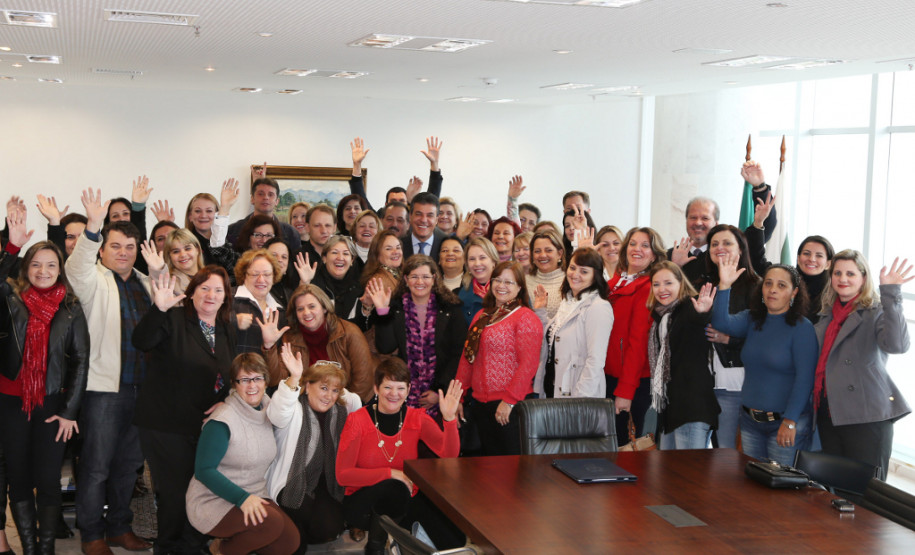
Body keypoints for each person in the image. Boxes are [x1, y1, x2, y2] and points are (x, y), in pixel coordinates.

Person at [66, 188, 153, 555]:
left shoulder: (146, 284)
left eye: (129, 247)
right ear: (103, 249)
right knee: (96, 467)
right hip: (104, 390)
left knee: (128, 467)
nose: (123, 252)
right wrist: (93, 226)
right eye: (115, 246)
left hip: (143, 389)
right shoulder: (92, 280)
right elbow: (75, 266)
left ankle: (119, 527)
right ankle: (92, 535)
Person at [132, 267, 236, 555]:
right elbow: (141, 341)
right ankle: (168, 548)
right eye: (204, 288)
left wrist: (227, 399)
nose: (210, 295)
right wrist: (158, 309)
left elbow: (229, 373)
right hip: (166, 423)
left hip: (201, 426)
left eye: (217, 290)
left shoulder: (226, 328)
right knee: (175, 494)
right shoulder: (173, 319)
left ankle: (193, 546)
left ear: (226, 297)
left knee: (200, 489)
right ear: (191, 294)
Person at [0, 227, 89, 555]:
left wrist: (70, 411)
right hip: (10, 402)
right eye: (35, 264)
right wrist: (13, 247)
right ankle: (29, 548)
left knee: (49, 479)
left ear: (60, 268)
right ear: (25, 269)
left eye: (51, 265)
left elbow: (81, 361)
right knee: (18, 478)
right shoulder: (9, 298)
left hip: (52, 403)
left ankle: (46, 549)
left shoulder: (70, 307)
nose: (43, 271)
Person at [336, 358, 463, 555]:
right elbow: (343, 475)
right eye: (388, 387)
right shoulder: (357, 420)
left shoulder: (416, 418)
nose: (394, 394)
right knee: (394, 487)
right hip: (362, 504)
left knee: (454, 537)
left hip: (405, 498)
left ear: (409, 389)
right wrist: (390, 473)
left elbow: (449, 454)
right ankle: (375, 548)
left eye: (400, 388)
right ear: (376, 389)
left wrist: (449, 419)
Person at [707, 258, 818, 466]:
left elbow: (805, 379)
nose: (772, 290)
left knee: (782, 492)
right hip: (750, 422)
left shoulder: (802, 328)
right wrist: (724, 286)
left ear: (794, 293)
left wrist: (791, 421)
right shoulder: (752, 319)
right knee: (754, 487)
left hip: (785, 423)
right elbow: (721, 322)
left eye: (781, 285)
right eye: (768, 283)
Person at [185, 353, 299, 555]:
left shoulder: (267, 407)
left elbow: (288, 403)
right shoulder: (222, 420)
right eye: (244, 380)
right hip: (214, 500)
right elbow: (203, 471)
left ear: (266, 380)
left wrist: (295, 377)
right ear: (234, 384)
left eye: (257, 378)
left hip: (254, 492)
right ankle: (221, 551)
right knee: (270, 524)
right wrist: (242, 498)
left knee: (289, 543)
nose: (252, 385)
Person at [813, 252, 912, 480]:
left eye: (850, 273)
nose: (843, 279)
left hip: (866, 416)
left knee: (867, 494)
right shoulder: (827, 313)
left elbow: (898, 345)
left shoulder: (875, 310)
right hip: (830, 413)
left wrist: (892, 293)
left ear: (863, 278)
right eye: (837, 273)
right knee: (835, 489)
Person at [267, 348, 357, 553]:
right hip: (292, 481)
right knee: (300, 537)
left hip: (325, 484)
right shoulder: (294, 408)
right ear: (308, 387)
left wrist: (334, 380)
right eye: (323, 388)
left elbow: (354, 400)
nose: (329, 396)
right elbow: (277, 414)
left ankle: (289, 533)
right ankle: (289, 538)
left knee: (330, 529)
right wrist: (294, 378)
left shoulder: (340, 412)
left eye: (335, 391)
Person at [455, 261, 543, 456]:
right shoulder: (482, 315)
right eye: (497, 280)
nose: (501, 286)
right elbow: (467, 359)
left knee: (510, 472)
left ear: (520, 287)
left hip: (510, 406)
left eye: (509, 282)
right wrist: (458, 397)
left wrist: (509, 401)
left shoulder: (525, 317)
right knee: (484, 472)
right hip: (479, 405)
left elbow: (528, 365)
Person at [368, 255, 468, 417]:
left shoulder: (451, 308)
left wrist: (439, 391)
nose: (419, 282)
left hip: (441, 396)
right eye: (414, 277)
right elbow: (385, 347)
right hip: (404, 395)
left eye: (425, 277)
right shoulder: (397, 307)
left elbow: (457, 354)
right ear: (406, 280)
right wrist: (382, 311)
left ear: (434, 279)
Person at [646, 262, 719, 450]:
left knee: (689, 473)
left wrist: (703, 313)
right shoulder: (662, 317)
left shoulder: (689, 308)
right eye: (656, 284)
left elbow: (698, 323)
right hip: (671, 408)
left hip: (692, 407)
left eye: (668, 283)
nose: (662, 289)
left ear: (681, 283)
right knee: (670, 475)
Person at [260, 284, 375, 402]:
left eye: (312, 306)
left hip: (343, 405)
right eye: (300, 309)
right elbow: (275, 379)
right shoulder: (290, 337)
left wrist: (341, 408)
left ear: (324, 307)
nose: (306, 313)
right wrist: (269, 346)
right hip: (304, 405)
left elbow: (363, 381)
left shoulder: (349, 333)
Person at [605, 227, 666, 445]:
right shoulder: (615, 283)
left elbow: (638, 343)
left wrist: (626, 390)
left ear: (654, 255)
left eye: (644, 245)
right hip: (609, 377)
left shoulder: (648, 287)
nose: (636, 249)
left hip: (633, 383)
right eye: (632, 243)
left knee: (630, 453)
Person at [702, 225, 761, 449]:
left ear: (741, 250)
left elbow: (764, 337)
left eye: (727, 243)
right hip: (704, 381)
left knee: (728, 455)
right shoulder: (704, 283)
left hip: (735, 382)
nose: (720, 248)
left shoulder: (756, 286)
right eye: (715, 244)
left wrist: (730, 340)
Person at [532, 248, 612, 399]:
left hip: (578, 395)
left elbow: (595, 360)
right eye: (573, 268)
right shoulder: (568, 302)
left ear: (595, 276)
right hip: (554, 387)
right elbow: (550, 341)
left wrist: (580, 399)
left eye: (584, 271)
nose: (575, 275)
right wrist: (541, 311)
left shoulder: (598, 306)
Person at [746, 192, 834, 323]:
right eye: (807, 253)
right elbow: (757, 260)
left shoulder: (834, 290)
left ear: (828, 263)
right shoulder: (785, 276)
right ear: (798, 258)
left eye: (819, 255)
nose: (812, 259)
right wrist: (758, 223)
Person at [348, 137, 444, 214]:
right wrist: (357, 165)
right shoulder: (378, 220)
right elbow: (360, 199)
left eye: (402, 201)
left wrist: (434, 164)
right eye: (393, 201)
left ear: (408, 204)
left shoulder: (414, 222)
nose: (398, 204)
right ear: (386, 204)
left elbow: (431, 203)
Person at [297, 235, 365, 322]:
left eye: (345, 253)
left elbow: (362, 324)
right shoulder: (313, 282)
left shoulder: (359, 286)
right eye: (334, 252)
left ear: (352, 260)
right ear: (324, 258)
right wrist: (304, 283)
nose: (340, 258)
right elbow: (300, 313)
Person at [225, 178, 300, 254]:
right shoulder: (233, 231)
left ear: (277, 201)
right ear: (252, 199)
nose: (266, 198)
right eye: (261, 194)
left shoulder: (290, 233)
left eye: (270, 195)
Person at [233, 249, 286, 354]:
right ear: (244, 275)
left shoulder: (279, 311)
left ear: (274, 277)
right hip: (231, 369)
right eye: (255, 274)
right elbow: (206, 321)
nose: (261, 280)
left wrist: (269, 347)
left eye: (267, 275)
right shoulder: (228, 297)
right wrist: (234, 321)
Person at [142, 228, 206, 295]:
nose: (183, 255)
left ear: (197, 250)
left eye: (187, 248)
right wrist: (158, 270)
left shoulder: (212, 275)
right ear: (170, 256)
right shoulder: (169, 282)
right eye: (176, 251)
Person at [456, 237, 498, 325]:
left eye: (482, 258)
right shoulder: (462, 297)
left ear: (493, 261)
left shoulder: (511, 288)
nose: (477, 264)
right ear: (467, 265)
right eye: (472, 259)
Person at [526, 229, 566, 319]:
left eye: (548, 250)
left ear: (559, 254)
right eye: (537, 251)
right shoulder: (524, 281)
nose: (543, 255)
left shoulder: (570, 281)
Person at [402, 192, 448, 260]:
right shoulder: (399, 246)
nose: (424, 220)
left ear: (436, 220)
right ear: (410, 216)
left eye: (430, 215)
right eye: (418, 214)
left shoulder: (445, 246)